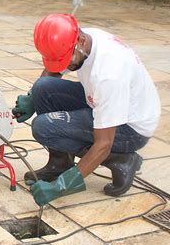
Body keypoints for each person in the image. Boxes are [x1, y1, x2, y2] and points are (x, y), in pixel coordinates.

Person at [12, 14, 160, 206]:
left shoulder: (108, 75)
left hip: (130, 128)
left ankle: (122, 159)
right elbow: (53, 70)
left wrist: (61, 187)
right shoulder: (83, 39)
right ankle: (60, 163)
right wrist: (32, 98)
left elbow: (103, 143)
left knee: (44, 127)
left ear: (80, 42)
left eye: (66, 60)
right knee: (43, 88)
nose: (64, 66)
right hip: (108, 101)